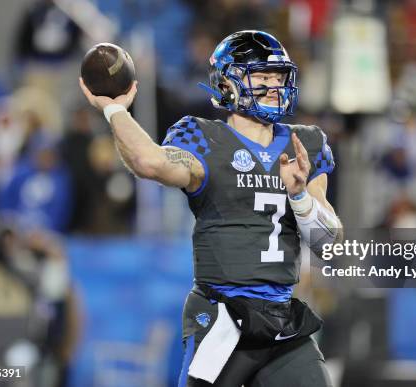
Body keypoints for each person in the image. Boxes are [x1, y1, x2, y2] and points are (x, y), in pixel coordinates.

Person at [80, 30, 341, 387]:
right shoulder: (203, 139)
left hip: (282, 322)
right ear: (229, 83)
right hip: (222, 317)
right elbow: (149, 162)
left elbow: (331, 245)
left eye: (278, 77)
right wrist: (114, 109)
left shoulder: (304, 144)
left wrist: (300, 197)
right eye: (262, 77)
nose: (274, 86)